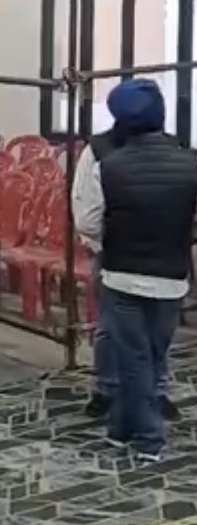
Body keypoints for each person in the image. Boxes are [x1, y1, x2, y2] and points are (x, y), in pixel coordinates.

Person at [73, 79, 195, 462]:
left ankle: (148, 436)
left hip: (122, 273)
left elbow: (87, 222)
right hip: (172, 275)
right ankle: (121, 427)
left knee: (133, 356)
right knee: (152, 352)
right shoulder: (190, 160)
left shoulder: (108, 164)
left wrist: (110, 241)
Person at [74, 123, 180, 422]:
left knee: (123, 328)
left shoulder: (99, 152)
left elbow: (85, 214)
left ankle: (125, 392)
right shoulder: (176, 152)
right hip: (145, 254)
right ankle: (123, 389)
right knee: (146, 329)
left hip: (128, 255)